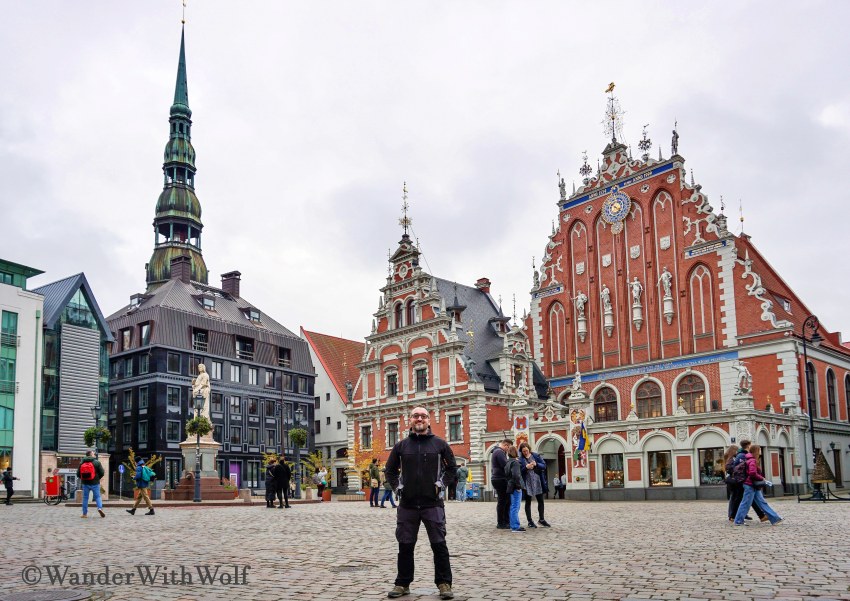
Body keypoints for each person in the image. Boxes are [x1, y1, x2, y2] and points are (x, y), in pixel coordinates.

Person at [385, 406, 457, 600]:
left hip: (432, 504)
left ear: (428, 420)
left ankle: (444, 584)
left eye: (423, 416)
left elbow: (452, 469)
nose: (419, 419)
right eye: (416, 416)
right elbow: (389, 470)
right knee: (405, 545)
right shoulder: (401, 446)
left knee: (439, 545)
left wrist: (441, 484)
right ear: (410, 420)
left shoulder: (440, 445)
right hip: (407, 505)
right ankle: (402, 583)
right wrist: (397, 487)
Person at [733, 444, 783, 526]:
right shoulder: (752, 460)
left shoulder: (749, 459)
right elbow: (752, 473)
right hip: (750, 485)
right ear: (756, 451)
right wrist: (762, 478)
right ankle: (738, 520)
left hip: (752, 485)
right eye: (759, 450)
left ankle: (775, 518)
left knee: (762, 502)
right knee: (746, 503)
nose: (760, 452)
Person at [727, 440, 766, 523]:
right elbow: (742, 469)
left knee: (745, 498)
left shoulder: (742, 455)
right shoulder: (742, 455)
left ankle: (761, 515)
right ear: (748, 446)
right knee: (742, 499)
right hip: (742, 480)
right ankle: (734, 516)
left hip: (743, 480)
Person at [518, 442, 550, 528]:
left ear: (529, 449)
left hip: (537, 481)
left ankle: (541, 519)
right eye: (523, 451)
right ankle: (530, 521)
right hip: (527, 482)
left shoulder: (536, 456)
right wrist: (526, 467)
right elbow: (519, 471)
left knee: (541, 500)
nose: (525, 452)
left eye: (526, 450)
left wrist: (536, 464)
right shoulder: (520, 459)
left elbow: (544, 465)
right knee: (528, 502)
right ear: (521, 451)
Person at [78, 450, 106, 518]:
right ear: (90, 455)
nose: (94, 455)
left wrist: (83, 479)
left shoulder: (82, 462)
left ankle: (84, 514)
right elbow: (102, 472)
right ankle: (99, 508)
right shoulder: (96, 462)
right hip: (95, 483)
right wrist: (97, 478)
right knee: (97, 497)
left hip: (85, 483)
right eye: (93, 454)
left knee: (85, 498)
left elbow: (78, 474)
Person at [490, 439, 511, 529]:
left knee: (505, 501)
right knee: (503, 501)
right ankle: (501, 522)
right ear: (506, 445)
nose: (508, 449)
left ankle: (505, 521)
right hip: (500, 479)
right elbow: (505, 465)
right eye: (509, 447)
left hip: (498, 478)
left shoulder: (497, 451)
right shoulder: (499, 452)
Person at [505, 445, 525, 532]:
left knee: (512, 506)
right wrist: (518, 486)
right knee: (515, 507)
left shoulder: (507, 462)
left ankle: (513, 524)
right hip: (515, 487)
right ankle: (515, 526)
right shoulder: (515, 463)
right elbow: (516, 475)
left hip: (510, 485)